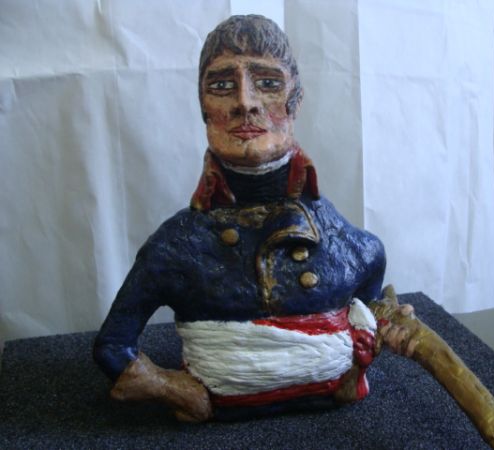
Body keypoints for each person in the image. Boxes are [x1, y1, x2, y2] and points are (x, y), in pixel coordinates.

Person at [93, 15, 386, 422]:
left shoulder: (347, 242)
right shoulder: (176, 246)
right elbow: (113, 346)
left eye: (267, 83)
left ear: (296, 100)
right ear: (203, 107)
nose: (245, 102)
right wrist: (171, 388)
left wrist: (374, 335)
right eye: (221, 86)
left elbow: (370, 300)